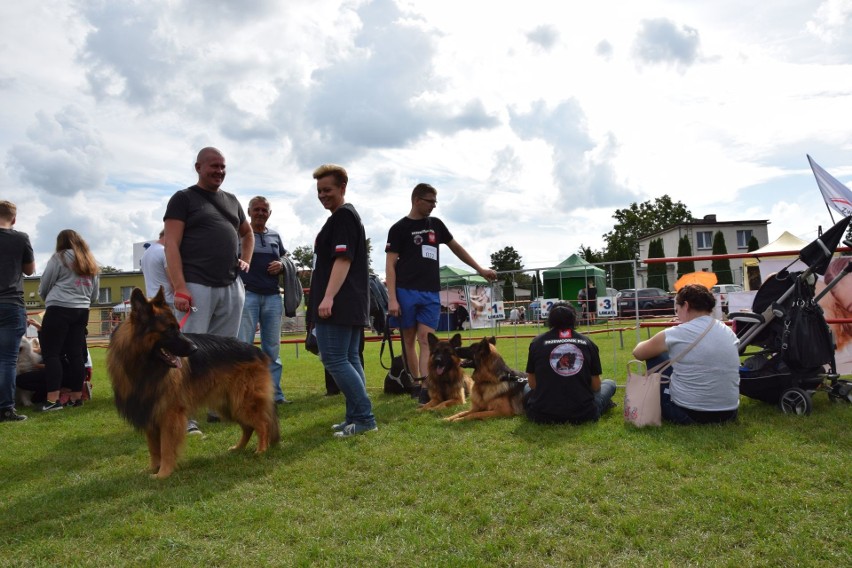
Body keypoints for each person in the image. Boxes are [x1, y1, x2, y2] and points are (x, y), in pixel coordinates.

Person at [164, 146, 253, 430]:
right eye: (213, 166)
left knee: (223, 352)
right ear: (198, 167)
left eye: (223, 167)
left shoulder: (232, 200)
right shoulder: (183, 199)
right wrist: (180, 287)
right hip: (195, 286)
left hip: (230, 285)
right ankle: (182, 414)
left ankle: (216, 407)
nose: (219, 171)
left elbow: (247, 233)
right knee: (188, 351)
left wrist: (246, 260)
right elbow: (171, 245)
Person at [385, 183, 497, 388]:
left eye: (435, 202)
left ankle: (427, 384)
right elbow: (390, 265)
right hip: (405, 291)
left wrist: (480, 270)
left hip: (430, 292)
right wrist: (392, 298)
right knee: (408, 340)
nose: (434, 206)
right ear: (417, 200)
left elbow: (457, 248)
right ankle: (415, 382)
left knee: (426, 339)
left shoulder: (436, 224)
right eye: (430, 201)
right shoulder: (398, 228)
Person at [311, 164, 376, 438]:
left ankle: (364, 418)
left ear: (342, 188)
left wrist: (328, 296)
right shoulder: (343, 217)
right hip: (349, 301)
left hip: (339, 301)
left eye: (328, 190)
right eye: (319, 191)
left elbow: (343, 258)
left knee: (335, 359)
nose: (323, 195)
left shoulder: (343, 217)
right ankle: (355, 416)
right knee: (349, 357)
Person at [632, 284, 740, 425]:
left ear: (686, 306)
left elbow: (638, 353)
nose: (677, 315)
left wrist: (665, 336)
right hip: (729, 412)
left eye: (677, 309)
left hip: (689, 413)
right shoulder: (728, 332)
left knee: (656, 356)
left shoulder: (677, 333)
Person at [524, 302, 616, 424]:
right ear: (574, 319)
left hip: (541, 414)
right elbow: (595, 386)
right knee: (609, 383)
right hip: (583, 413)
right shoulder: (588, 343)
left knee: (525, 387)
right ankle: (604, 404)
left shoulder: (536, 343)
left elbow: (532, 384)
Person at [38, 229, 99, 411]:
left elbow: (45, 285)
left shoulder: (59, 258)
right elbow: (94, 295)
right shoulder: (90, 261)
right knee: (76, 355)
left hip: (59, 308)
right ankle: (76, 397)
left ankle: (52, 400)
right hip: (81, 311)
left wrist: (48, 299)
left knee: (52, 354)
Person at [237, 196, 290, 405]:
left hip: (273, 297)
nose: (260, 213)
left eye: (264, 210)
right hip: (247, 295)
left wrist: (282, 264)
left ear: (270, 213)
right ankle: (244, 395)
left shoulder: (275, 236)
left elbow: (286, 257)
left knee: (273, 349)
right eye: (256, 209)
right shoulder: (239, 235)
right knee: (243, 348)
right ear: (248, 212)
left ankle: (274, 395)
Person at [0, 201, 36, 422]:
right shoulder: (20, 238)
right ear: (13, 219)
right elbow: (30, 270)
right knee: (7, 360)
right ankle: (5, 409)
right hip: (11, 303)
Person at [140, 228, 174, 305]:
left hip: (151, 301)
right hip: (167, 302)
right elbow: (173, 281)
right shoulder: (164, 251)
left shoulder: (145, 254)